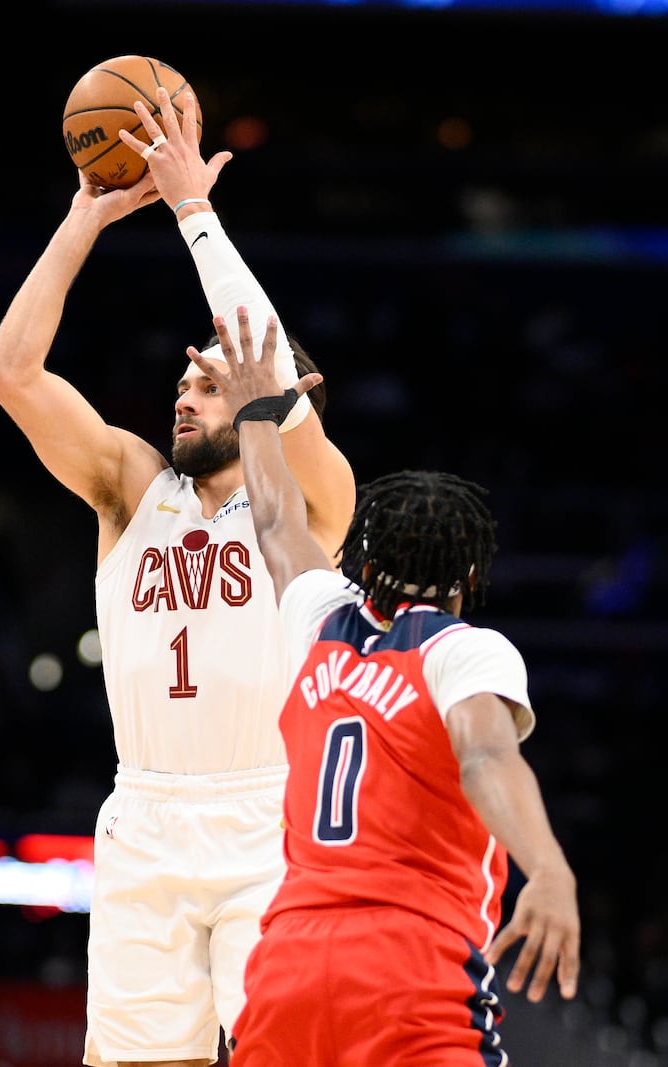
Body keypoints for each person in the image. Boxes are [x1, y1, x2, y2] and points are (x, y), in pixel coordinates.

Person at [0, 85, 355, 1067]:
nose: (183, 395)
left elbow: (262, 360)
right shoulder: (128, 486)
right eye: (181, 381)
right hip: (141, 811)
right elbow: (11, 375)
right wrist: (81, 218)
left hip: (266, 814)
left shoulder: (309, 503)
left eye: (208, 382)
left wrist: (195, 211)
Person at [192, 308, 581, 1065]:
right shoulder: (461, 650)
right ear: (470, 577)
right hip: (411, 964)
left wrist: (256, 416)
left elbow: (274, 519)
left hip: (288, 964)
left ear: (361, 559)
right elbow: (486, 758)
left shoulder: (318, 616)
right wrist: (551, 867)